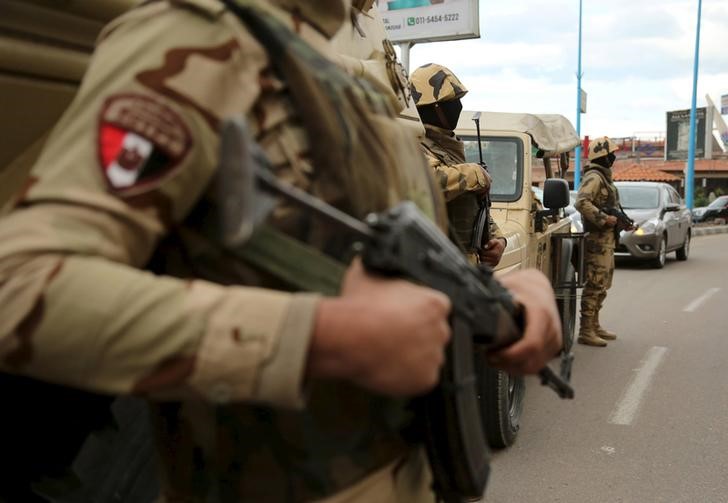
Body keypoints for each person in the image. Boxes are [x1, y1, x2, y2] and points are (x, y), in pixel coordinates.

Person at [0, 1, 562, 501]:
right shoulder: (202, 44)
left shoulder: (352, 86)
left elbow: (371, 276)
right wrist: (320, 336)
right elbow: (21, 287)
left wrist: (493, 294)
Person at [410, 63, 507, 267]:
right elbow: (428, 183)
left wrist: (498, 240)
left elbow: (472, 207)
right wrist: (476, 174)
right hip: (433, 268)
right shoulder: (412, 143)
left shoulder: (447, 150)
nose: (458, 107)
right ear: (433, 108)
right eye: (452, 102)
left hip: (462, 269)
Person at [574, 136, 624, 347]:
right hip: (596, 239)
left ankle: (594, 325)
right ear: (602, 156)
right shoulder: (594, 177)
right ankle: (586, 330)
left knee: (603, 284)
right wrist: (604, 219)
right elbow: (581, 202)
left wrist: (620, 221)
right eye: (610, 154)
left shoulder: (604, 178)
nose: (613, 157)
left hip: (606, 239)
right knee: (594, 283)